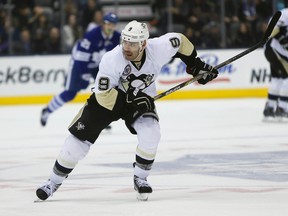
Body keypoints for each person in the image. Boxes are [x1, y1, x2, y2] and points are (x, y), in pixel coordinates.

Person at [35, 20, 218, 202]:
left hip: (140, 99)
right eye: (125, 41)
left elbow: (181, 40)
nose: (127, 47)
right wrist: (130, 100)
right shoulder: (112, 59)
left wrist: (195, 64)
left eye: (132, 43)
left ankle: (140, 178)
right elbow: (103, 95)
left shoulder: (159, 48)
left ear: (144, 43)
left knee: (151, 133)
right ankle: (53, 182)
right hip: (107, 101)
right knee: (76, 144)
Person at [40, 12, 120, 127]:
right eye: (108, 24)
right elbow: (80, 58)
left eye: (113, 24)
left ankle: (101, 117)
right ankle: (47, 111)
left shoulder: (117, 38)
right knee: (70, 93)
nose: (110, 27)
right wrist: (84, 74)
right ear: (103, 24)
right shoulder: (92, 35)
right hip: (80, 64)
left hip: (99, 66)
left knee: (105, 91)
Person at [263, 8, 288, 120]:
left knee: (277, 78)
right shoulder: (285, 14)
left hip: (277, 51)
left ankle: (270, 107)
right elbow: (272, 29)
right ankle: (282, 108)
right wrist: (283, 40)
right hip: (274, 49)